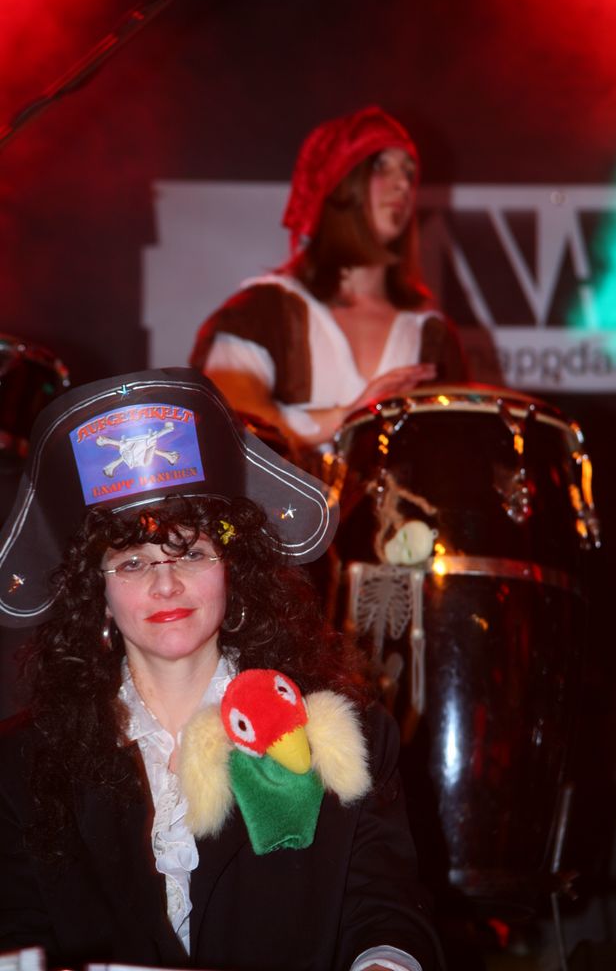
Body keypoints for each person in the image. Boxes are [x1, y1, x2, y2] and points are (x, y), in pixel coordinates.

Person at [0, 367, 445, 971]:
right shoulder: (22, 768)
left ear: (234, 572)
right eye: (132, 563)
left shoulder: (343, 739)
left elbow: (386, 914)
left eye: (191, 552)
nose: (165, 585)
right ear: (95, 594)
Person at [190, 106, 468, 453]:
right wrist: (347, 418)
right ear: (337, 186)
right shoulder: (261, 313)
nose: (402, 185)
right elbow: (225, 423)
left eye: (409, 174)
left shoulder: (432, 336)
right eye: (380, 166)